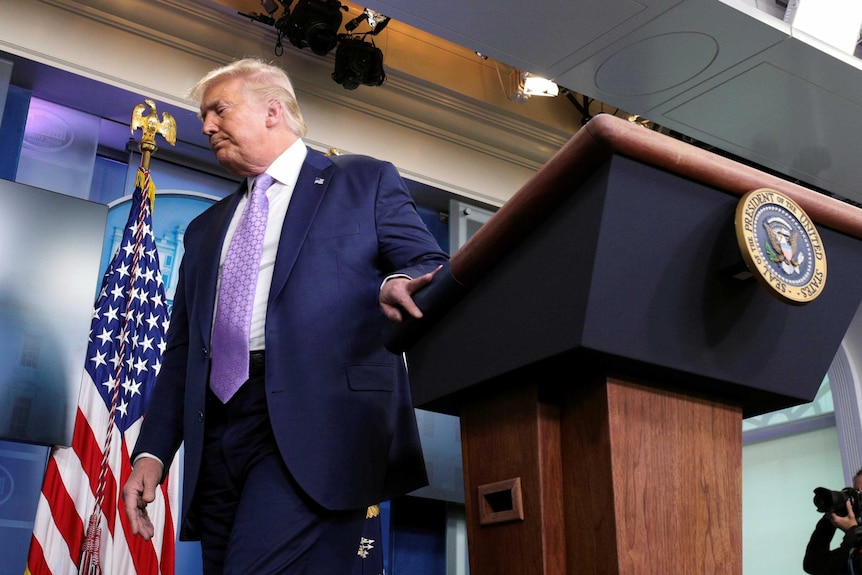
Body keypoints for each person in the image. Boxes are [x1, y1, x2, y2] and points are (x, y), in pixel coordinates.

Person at [121, 57, 449, 574]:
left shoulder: (362, 181)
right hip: (218, 434)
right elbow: (182, 353)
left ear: (273, 111)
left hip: (314, 421)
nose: (205, 126)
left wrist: (394, 283)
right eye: (204, 116)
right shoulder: (205, 230)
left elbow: (429, 266)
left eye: (219, 110)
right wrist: (152, 454)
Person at [804, 469, 862, 575]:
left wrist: (853, 532)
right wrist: (830, 516)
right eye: (856, 493)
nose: (858, 499)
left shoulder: (855, 539)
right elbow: (815, 565)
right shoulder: (854, 545)